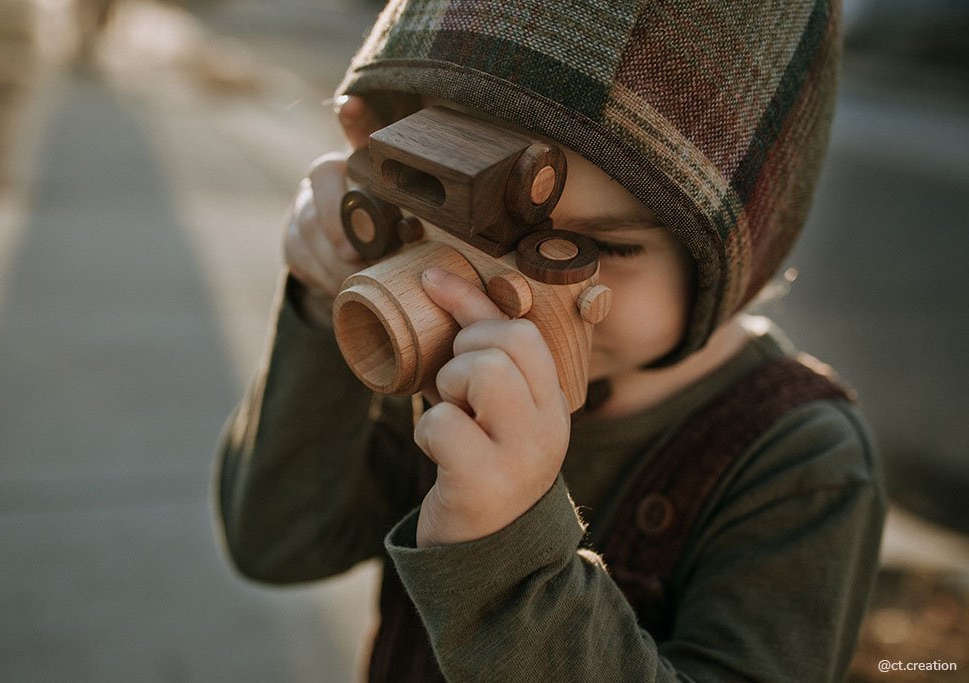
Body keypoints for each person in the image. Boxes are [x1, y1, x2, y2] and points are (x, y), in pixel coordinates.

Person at [215, 1, 886, 680]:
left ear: (732, 261)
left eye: (591, 246)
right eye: (456, 212)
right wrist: (327, 296)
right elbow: (279, 540)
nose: (514, 291)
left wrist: (505, 554)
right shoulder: (448, 364)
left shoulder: (800, 465)